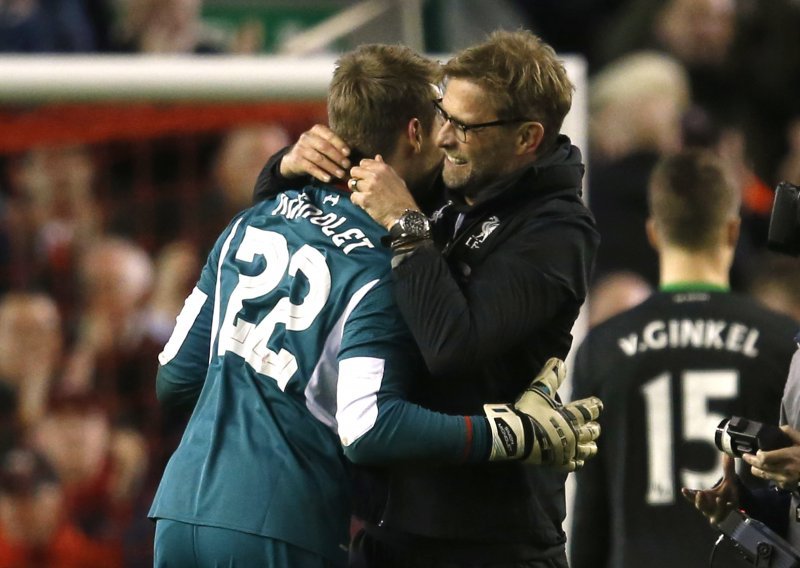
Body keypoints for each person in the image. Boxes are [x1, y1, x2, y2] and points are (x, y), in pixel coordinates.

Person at [149, 43, 602, 568]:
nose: (446, 136)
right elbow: (367, 425)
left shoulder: (556, 232)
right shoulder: (422, 211)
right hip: (362, 527)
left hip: (492, 543)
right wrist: (287, 169)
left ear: (527, 138)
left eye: (464, 125)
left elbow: (451, 345)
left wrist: (401, 224)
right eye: (442, 117)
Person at [569, 149, 799, 567]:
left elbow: (589, 514)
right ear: (732, 231)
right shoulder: (783, 343)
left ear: (654, 232)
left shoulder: (601, 349)